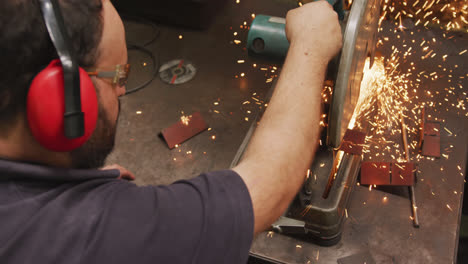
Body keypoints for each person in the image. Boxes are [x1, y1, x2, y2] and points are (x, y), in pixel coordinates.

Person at [0, 0, 341, 263]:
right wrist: (310, 46)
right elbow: (271, 183)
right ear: (61, 96)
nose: (122, 91)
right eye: (116, 77)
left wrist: (61, 181)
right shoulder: (91, 238)